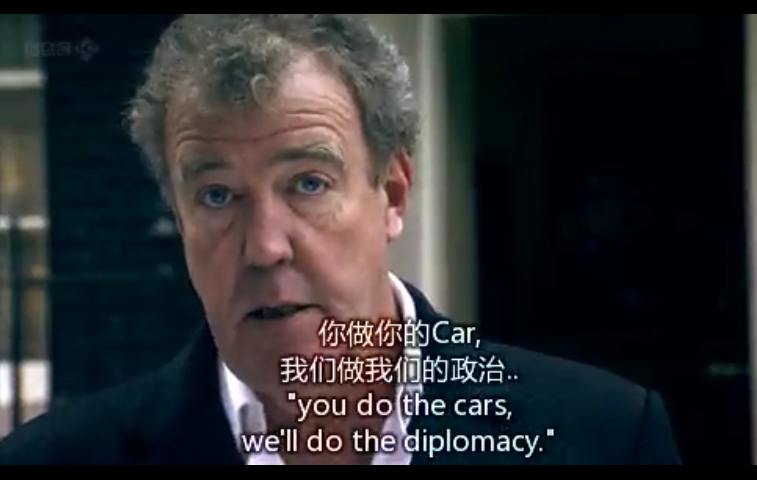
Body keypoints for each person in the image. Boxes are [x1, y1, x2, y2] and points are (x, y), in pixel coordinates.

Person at [0, 14, 681, 465]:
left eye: (308, 183)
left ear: (393, 195)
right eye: (217, 196)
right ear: (180, 220)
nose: (265, 247)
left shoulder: (603, 437)